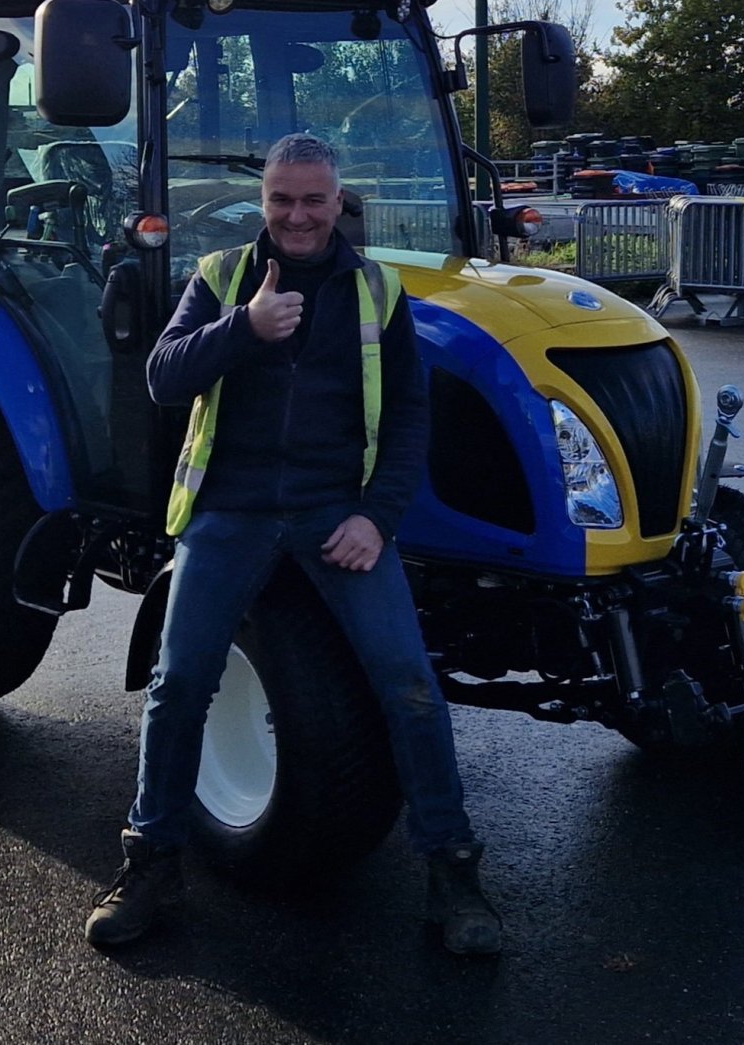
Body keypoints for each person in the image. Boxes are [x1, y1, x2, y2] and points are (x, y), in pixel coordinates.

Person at [86, 133, 500, 956]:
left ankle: (453, 876)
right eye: (283, 199)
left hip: (332, 512)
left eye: (314, 200)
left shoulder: (377, 291)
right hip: (228, 511)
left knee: (411, 686)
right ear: (265, 199)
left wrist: (376, 517)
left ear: (337, 199)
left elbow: (412, 415)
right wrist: (246, 327)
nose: (298, 215)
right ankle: (152, 861)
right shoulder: (221, 279)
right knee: (178, 685)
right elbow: (164, 376)